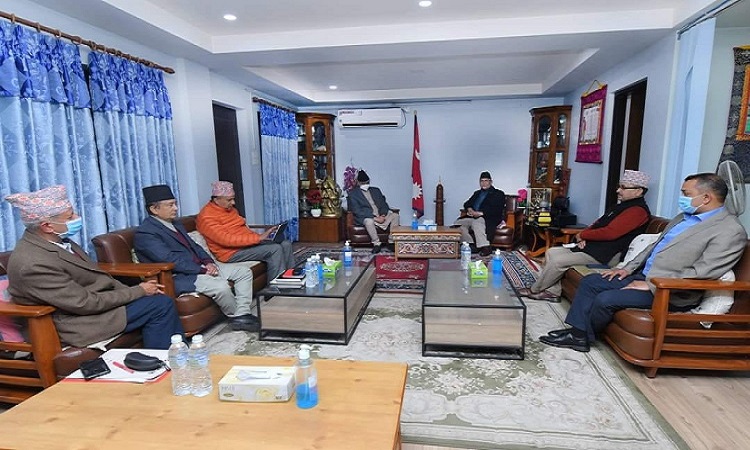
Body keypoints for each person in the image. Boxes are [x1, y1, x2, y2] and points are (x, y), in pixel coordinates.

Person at [539, 173, 747, 352]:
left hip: (669, 290)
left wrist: (651, 284)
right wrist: (627, 269)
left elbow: (704, 271)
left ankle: (581, 336)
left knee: (606, 299)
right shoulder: (684, 217)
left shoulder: (730, 231)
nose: (682, 198)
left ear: (707, 197)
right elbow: (654, 246)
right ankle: (578, 333)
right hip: (643, 276)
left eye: (686, 194)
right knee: (591, 282)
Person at [4, 185, 183, 349]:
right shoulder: (32, 263)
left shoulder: (60, 241)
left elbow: (98, 277)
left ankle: (166, 358)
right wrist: (138, 291)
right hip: (78, 322)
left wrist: (136, 292)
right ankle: (164, 363)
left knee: (158, 299)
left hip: (96, 307)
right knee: (160, 305)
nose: (77, 218)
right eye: (70, 217)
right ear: (47, 226)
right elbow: (83, 303)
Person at [134, 185, 259, 332]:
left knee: (243, 272)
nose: (175, 208)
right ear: (154, 209)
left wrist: (209, 262)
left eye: (175, 204)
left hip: (199, 268)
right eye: (170, 205)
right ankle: (237, 317)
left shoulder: (175, 223)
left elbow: (195, 246)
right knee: (221, 287)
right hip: (179, 276)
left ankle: (242, 314)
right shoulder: (146, 233)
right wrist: (202, 270)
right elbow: (170, 260)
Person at [519, 170, 652, 301]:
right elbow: (597, 223)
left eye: (623, 187)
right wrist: (583, 236)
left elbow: (609, 233)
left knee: (558, 261)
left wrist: (583, 235)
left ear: (638, 191)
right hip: (594, 248)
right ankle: (552, 292)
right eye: (619, 186)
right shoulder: (621, 206)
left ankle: (535, 289)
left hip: (607, 255)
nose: (618, 190)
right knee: (552, 252)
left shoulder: (638, 211)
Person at [197, 181, 294, 279]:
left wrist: (261, 237)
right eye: (229, 200)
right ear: (216, 199)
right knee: (274, 249)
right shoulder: (206, 217)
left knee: (285, 244)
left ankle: (291, 279)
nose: (233, 203)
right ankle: (276, 286)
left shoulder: (229, 209)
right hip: (230, 253)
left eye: (233, 199)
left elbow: (241, 229)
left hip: (245, 245)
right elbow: (226, 240)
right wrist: (258, 238)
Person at [347, 170, 400, 254]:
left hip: (380, 215)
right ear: (358, 183)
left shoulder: (376, 190)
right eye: (363, 183)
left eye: (367, 182)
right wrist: (375, 218)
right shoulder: (353, 194)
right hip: (366, 217)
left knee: (395, 216)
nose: (365, 184)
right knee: (369, 221)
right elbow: (357, 211)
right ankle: (376, 244)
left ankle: (391, 242)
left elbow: (384, 204)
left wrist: (383, 215)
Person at [454, 171, 505, 256]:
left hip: (487, 217)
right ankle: (470, 245)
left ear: (491, 182)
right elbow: (467, 203)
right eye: (482, 181)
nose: (484, 183)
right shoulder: (477, 193)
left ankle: (485, 247)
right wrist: (469, 209)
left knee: (477, 222)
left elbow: (497, 209)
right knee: (458, 223)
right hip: (473, 217)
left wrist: (481, 213)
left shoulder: (498, 194)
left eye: (486, 181)